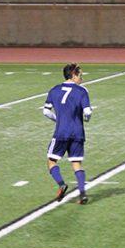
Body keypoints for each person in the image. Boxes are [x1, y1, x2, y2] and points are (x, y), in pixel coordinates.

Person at [43, 63, 93, 205]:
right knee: (76, 163)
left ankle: (61, 184)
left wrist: (58, 120)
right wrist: (86, 118)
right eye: (80, 76)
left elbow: (46, 111)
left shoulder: (54, 90)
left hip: (61, 132)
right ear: (73, 75)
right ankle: (82, 194)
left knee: (51, 161)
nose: (81, 79)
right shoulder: (82, 91)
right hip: (77, 132)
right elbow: (88, 112)